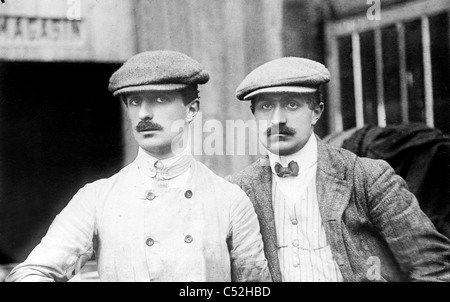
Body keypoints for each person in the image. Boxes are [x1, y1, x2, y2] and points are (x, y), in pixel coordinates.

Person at [7, 50, 270, 282]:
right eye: (135, 101)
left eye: (159, 100)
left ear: (192, 110)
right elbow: (33, 272)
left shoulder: (229, 200)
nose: (144, 113)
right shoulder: (97, 199)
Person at [226, 56, 450, 282]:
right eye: (266, 106)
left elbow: (432, 268)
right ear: (254, 115)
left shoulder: (367, 177)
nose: (277, 119)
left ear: (316, 112)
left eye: (291, 104)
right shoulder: (238, 191)